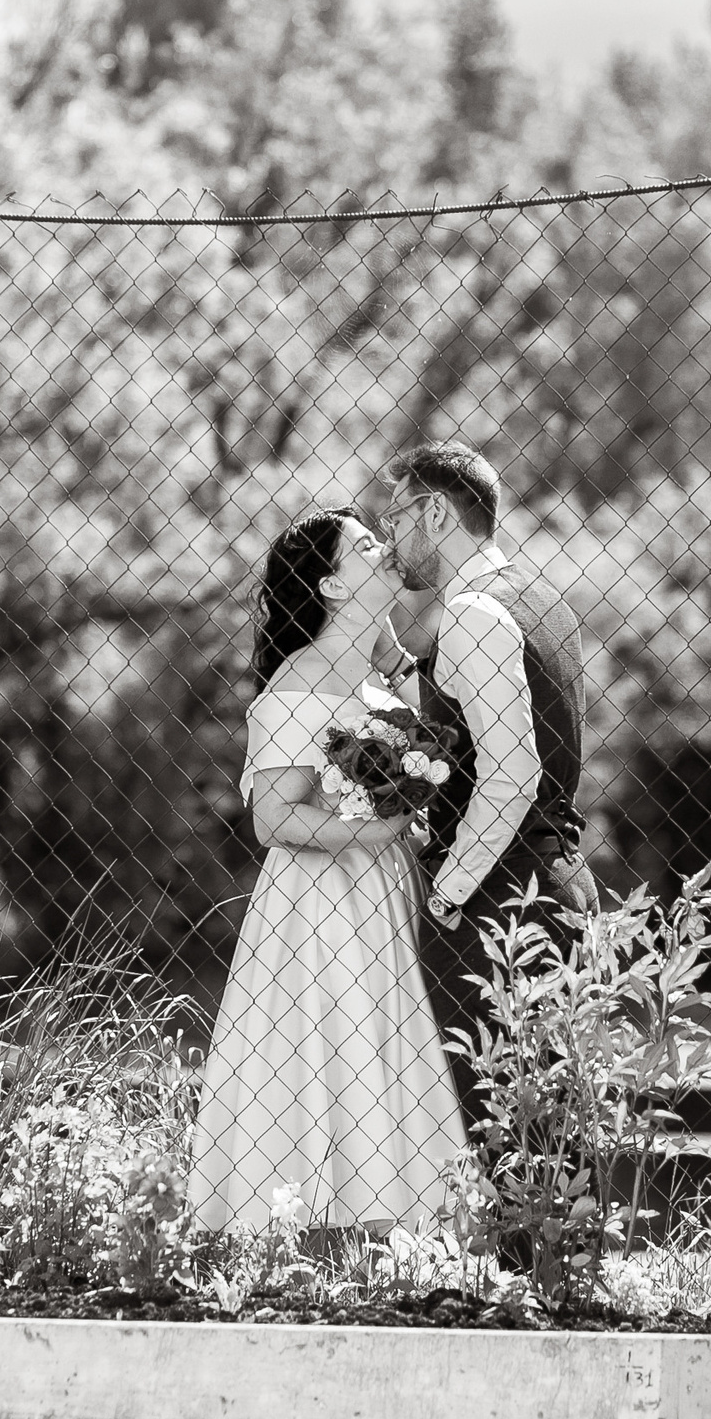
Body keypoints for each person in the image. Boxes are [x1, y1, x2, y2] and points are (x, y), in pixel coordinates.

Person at [190, 507, 471, 1236]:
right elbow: (274, 819)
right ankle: (307, 1220)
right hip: (319, 900)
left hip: (376, 887)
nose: (384, 548)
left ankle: (386, 1226)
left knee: (378, 1041)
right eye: (365, 545)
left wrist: (390, 661)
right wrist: (370, 828)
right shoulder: (299, 680)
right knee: (325, 1041)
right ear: (331, 585)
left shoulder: (376, 673)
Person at [380, 441, 598, 1147]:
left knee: (495, 1132)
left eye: (397, 517)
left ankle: (515, 1264)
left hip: (497, 902)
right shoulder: (541, 600)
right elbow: (485, 726)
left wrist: (446, 892)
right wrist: (397, 672)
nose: (390, 539)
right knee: (553, 1142)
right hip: (560, 880)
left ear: (437, 512)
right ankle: (551, 1262)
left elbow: (509, 773)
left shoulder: (471, 612)